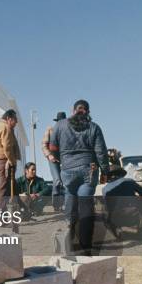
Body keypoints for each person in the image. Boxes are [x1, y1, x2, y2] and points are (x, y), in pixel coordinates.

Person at [50, 99, 109, 254]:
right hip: (88, 169)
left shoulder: (60, 125)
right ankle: (86, 247)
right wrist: (105, 172)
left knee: (70, 202)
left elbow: (53, 148)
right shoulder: (94, 127)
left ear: (73, 110)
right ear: (88, 112)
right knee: (86, 206)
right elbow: (101, 153)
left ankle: (69, 243)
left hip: (67, 170)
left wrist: (60, 159)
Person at [103, 164, 142, 238]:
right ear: (121, 174)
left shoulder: (105, 188)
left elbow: (107, 207)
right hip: (133, 215)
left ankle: (117, 232)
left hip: (115, 218)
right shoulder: (129, 181)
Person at [0, 109, 21, 211]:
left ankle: (23, 211)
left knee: (12, 187)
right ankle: (1, 218)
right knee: (4, 190)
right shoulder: (5, 127)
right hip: (4, 162)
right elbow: (7, 148)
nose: (16, 122)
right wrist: (11, 160)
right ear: (8, 118)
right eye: (15, 119)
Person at [42, 111, 66, 211]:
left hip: (65, 159)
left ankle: (64, 203)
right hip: (53, 158)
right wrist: (49, 155)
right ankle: (56, 205)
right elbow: (44, 144)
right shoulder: (50, 129)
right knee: (57, 180)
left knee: (65, 181)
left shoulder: (68, 130)